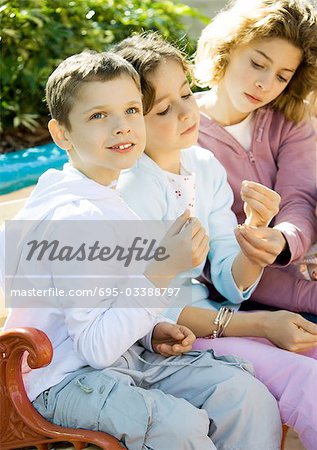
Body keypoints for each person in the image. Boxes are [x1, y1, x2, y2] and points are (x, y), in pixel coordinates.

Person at [0, 50, 283, 450]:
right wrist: (163, 269)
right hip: (62, 379)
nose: (122, 127)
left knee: (242, 393)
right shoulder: (75, 216)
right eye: (99, 116)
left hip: (119, 361)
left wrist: (151, 333)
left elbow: (106, 304)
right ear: (61, 134)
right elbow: (95, 348)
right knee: (180, 427)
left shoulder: (104, 195)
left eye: (132, 110)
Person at [115, 32, 317, 449]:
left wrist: (255, 235)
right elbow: (150, 310)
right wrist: (262, 323)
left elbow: (229, 281)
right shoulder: (132, 187)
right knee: (306, 379)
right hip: (173, 340)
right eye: (164, 109)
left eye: (187, 95)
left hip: (220, 320)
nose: (188, 112)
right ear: (130, 120)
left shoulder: (202, 165)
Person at [194, 0, 317, 314]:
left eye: (282, 76)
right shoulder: (180, 128)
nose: (265, 84)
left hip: (297, 250)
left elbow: (298, 196)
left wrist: (283, 240)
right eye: (258, 63)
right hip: (235, 272)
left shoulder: (290, 120)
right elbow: (210, 252)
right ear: (229, 48)